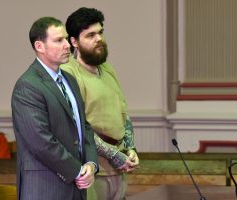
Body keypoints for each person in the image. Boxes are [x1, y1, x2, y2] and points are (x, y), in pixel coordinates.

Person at [11, 16, 98, 200]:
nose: (68, 45)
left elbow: (85, 126)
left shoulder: (70, 80)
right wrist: (78, 171)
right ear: (39, 46)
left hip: (77, 187)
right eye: (59, 40)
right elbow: (41, 142)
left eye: (66, 39)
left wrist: (90, 164)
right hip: (45, 188)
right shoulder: (28, 86)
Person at [61, 7, 140, 200]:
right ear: (74, 42)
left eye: (100, 32)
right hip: (91, 170)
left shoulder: (107, 69)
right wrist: (114, 155)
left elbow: (123, 114)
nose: (99, 38)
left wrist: (130, 148)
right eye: (90, 35)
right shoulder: (69, 73)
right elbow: (77, 128)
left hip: (119, 168)